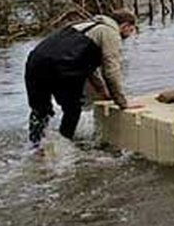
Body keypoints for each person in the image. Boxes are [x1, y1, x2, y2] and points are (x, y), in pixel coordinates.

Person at [25, 9, 140, 145]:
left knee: (40, 110)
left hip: (35, 61)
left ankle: (36, 148)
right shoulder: (110, 32)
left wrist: (103, 92)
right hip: (63, 67)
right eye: (131, 30)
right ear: (125, 26)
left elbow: (88, 67)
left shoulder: (85, 25)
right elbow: (110, 71)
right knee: (72, 109)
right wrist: (122, 102)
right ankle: (64, 146)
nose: (130, 34)